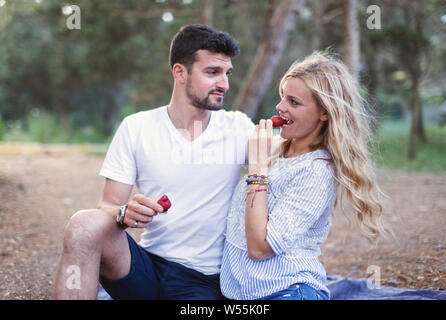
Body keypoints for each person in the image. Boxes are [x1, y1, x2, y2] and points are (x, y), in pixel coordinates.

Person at [53, 24, 255, 300]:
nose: (225, 84)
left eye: (227, 73)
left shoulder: (239, 128)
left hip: (202, 281)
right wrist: (124, 213)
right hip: (145, 268)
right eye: (212, 72)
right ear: (180, 72)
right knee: (83, 225)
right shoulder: (136, 127)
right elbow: (108, 206)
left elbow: (295, 148)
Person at [220, 51, 386, 300]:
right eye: (282, 97)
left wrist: (256, 170)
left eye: (294, 102)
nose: (280, 107)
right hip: (245, 295)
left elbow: (260, 248)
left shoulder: (316, 172)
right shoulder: (276, 151)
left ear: (325, 113)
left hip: (288, 291)